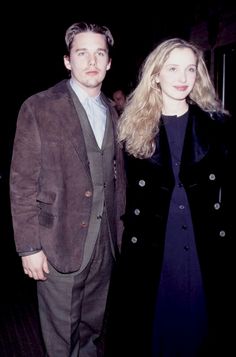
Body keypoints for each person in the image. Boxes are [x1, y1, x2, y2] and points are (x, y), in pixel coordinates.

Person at [104, 38, 235, 357]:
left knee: (202, 326)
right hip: (153, 246)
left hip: (204, 242)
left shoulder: (216, 125)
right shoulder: (133, 127)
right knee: (153, 328)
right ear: (156, 75)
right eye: (173, 68)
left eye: (190, 69)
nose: (183, 77)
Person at [10, 21, 126, 357]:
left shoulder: (113, 111)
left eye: (99, 54)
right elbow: (21, 183)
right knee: (61, 342)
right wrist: (29, 247)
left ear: (108, 63)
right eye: (82, 53)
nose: (91, 61)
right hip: (57, 244)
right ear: (67, 60)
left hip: (104, 245)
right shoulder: (39, 106)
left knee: (91, 332)